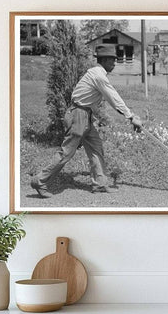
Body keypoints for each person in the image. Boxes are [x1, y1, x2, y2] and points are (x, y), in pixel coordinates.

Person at [30, 44, 143, 198]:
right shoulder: (98, 75)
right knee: (66, 153)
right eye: (111, 60)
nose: (114, 63)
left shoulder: (98, 74)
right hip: (78, 115)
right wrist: (130, 116)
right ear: (102, 60)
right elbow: (113, 97)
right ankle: (40, 180)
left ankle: (100, 184)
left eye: (115, 60)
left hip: (86, 115)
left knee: (96, 148)